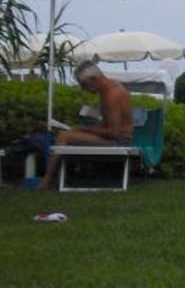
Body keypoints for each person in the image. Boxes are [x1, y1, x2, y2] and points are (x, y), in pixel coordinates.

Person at [38, 59, 134, 190]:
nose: (83, 89)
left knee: (64, 136)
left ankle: (47, 181)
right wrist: (84, 129)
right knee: (68, 133)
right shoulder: (110, 88)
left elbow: (114, 133)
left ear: (94, 79)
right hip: (117, 138)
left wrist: (83, 129)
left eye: (84, 85)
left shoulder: (112, 95)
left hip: (120, 141)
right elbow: (108, 125)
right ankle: (61, 177)